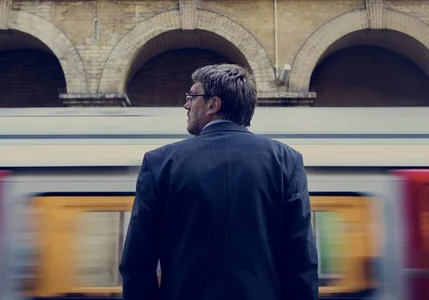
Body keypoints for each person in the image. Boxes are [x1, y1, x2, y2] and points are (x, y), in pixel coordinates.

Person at [119, 64, 318, 300]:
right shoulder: (286, 160)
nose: (186, 104)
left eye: (192, 96)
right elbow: (301, 259)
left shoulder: (161, 162)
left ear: (213, 104)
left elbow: (138, 263)